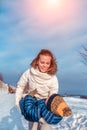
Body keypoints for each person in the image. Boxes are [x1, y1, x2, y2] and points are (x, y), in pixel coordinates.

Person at [15, 49, 62, 130]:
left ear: (51, 64)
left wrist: (49, 105)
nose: (44, 65)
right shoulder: (29, 72)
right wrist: (17, 101)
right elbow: (20, 86)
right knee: (33, 127)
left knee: (45, 127)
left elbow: (53, 95)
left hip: (45, 105)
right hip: (32, 104)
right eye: (42, 62)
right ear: (37, 61)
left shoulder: (53, 78)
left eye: (47, 63)